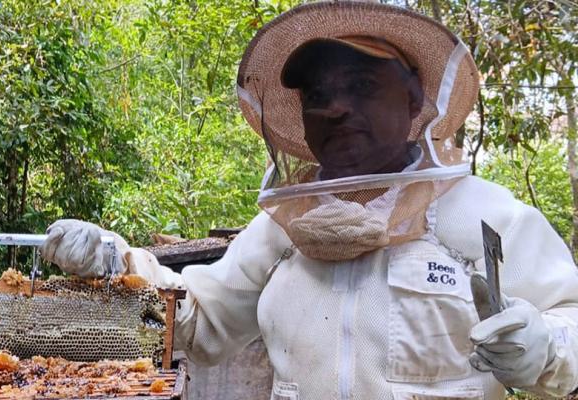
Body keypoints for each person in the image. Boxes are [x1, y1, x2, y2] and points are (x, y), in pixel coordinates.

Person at [39, 2, 578, 399]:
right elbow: (200, 324)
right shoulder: (287, 226)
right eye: (317, 95)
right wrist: (118, 264)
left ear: (414, 96)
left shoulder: (480, 213)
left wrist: (543, 345)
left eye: (363, 84)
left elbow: (570, 319)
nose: (335, 108)